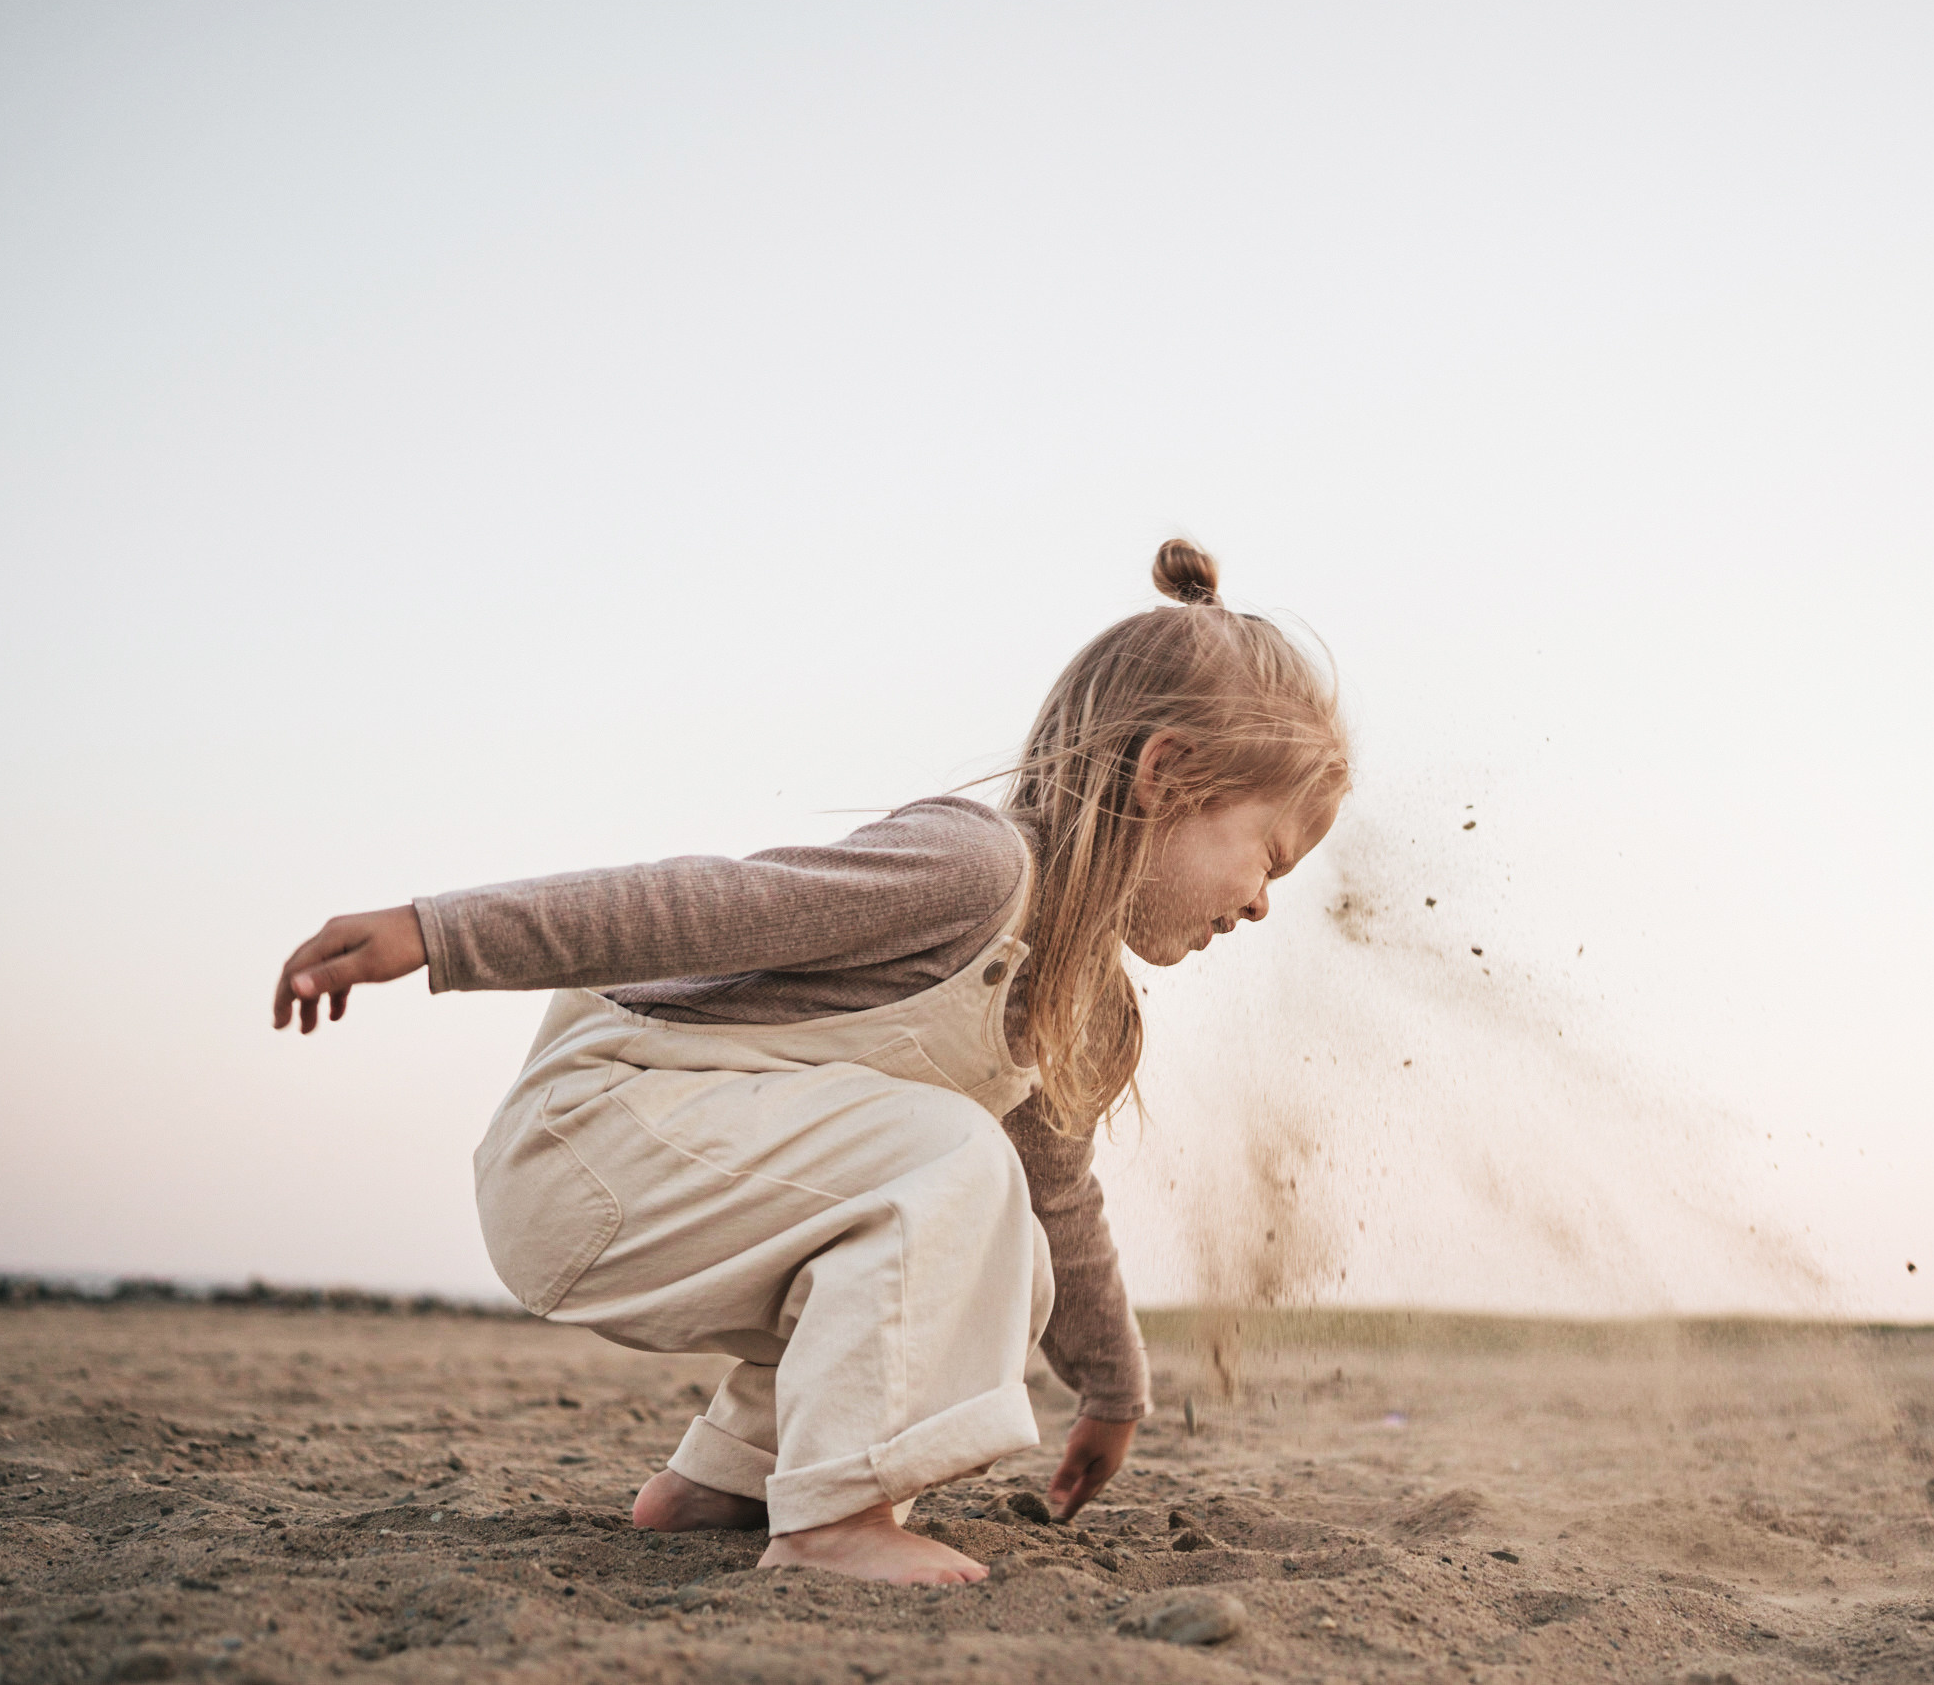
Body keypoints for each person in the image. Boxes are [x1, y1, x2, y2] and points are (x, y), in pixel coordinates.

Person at [268, 540, 1349, 1586]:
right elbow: (704, 909)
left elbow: (1060, 1202)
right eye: (1267, 857)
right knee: (952, 1166)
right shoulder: (973, 869)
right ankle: (833, 1517)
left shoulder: (1086, 1016)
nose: (1260, 902)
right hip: (594, 1144)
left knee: (1002, 1243)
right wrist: (440, 932)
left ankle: (726, 1484)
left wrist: (1113, 1387)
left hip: (698, 1184)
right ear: (1165, 775)